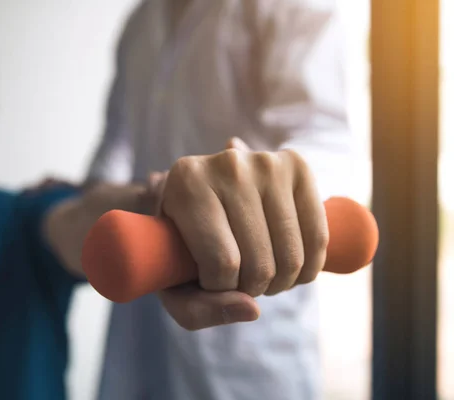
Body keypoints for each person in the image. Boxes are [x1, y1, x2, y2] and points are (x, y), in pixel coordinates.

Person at [0, 10, 334, 400]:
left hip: (250, 333)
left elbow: (86, 222)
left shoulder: (26, 219)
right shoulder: (140, 26)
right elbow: (113, 152)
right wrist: (112, 195)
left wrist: (161, 214)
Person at [87, 1, 358, 399]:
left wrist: (261, 193)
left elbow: (325, 138)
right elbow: (117, 140)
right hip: (146, 300)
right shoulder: (140, 21)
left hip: (250, 325)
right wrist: (89, 193)